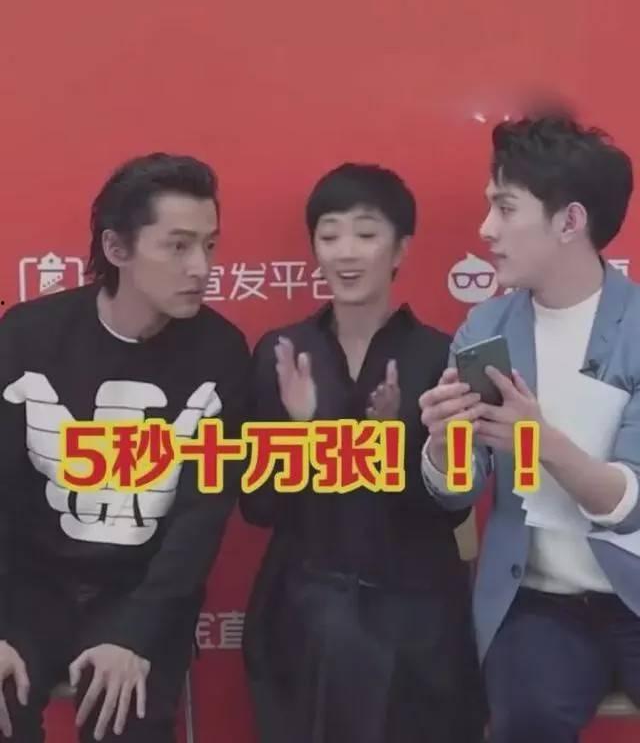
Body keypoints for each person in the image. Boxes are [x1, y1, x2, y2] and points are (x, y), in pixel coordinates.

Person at [0, 153, 250, 742]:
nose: (201, 267)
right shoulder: (28, 336)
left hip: (143, 589)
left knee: (124, 715)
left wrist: (135, 631)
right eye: (178, 246)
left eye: (209, 246)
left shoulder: (221, 352)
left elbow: (201, 514)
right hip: (30, 587)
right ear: (116, 248)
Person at [240, 163, 485, 743]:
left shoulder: (445, 356)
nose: (346, 252)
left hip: (417, 616)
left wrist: (392, 440)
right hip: (306, 609)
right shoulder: (282, 352)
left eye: (366, 233)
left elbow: (452, 507)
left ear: (401, 248)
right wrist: (302, 430)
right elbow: (258, 506)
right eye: (329, 235)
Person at [420, 113, 640, 742]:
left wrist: (537, 439)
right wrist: (442, 445)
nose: (486, 229)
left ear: (570, 222)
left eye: (505, 208)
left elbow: (629, 506)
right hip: (539, 604)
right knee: (525, 719)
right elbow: (459, 491)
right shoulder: (486, 329)